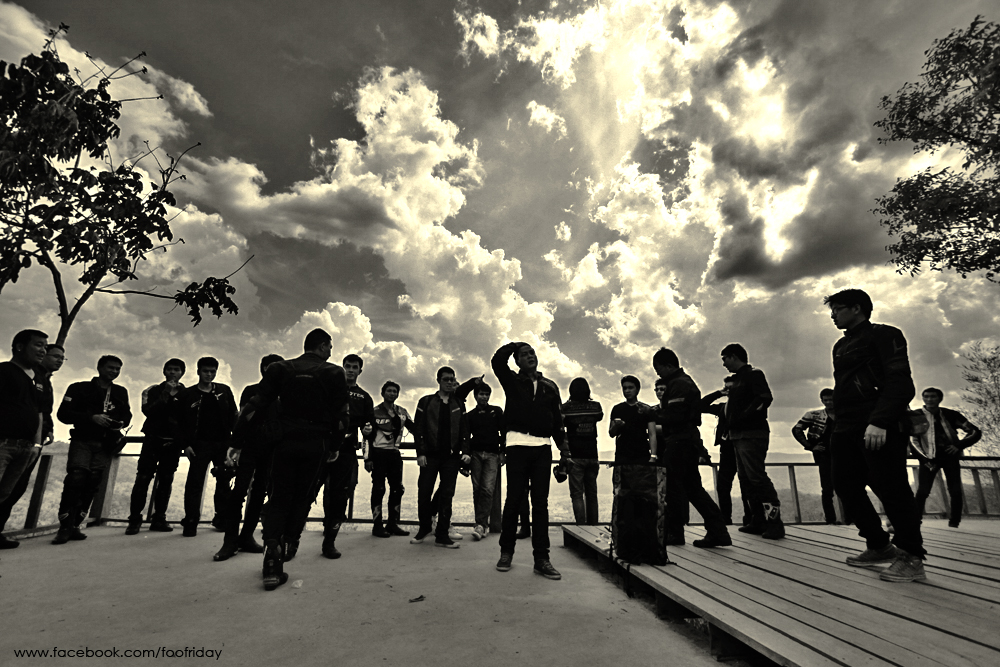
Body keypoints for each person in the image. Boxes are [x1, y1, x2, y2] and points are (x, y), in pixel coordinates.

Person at [230, 329, 350, 590]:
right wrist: (335, 446)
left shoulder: (280, 369)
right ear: (322, 346)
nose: (330, 352)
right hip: (316, 443)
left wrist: (236, 441)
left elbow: (254, 406)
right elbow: (342, 416)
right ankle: (288, 543)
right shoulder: (333, 372)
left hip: (283, 442)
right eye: (330, 347)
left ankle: (272, 557)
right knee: (302, 497)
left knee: (279, 497)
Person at [825, 288, 925, 582]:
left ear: (857, 308)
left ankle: (911, 556)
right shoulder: (841, 345)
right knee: (844, 485)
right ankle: (879, 545)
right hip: (846, 425)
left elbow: (900, 382)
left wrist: (880, 421)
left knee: (891, 487)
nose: (833, 315)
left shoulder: (885, 335)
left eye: (838, 309)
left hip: (877, 423)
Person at [492, 342, 566, 580]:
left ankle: (542, 559)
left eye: (532, 352)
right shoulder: (512, 381)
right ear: (517, 361)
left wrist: (564, 451)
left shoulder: (550, 386)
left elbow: (558, 421)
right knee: (513, 500)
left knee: (540, 504)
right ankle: (506, 552)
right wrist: (515, 344)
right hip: (516, 446)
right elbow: (497, 361)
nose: (530, 356)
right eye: (524, 355)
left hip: (543, 447)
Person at [648, 348, 730, 549]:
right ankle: (717, 530)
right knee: (693, 489)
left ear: (668, 366)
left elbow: (675, 416)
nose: (658, 374)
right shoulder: (682, 382)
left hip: (679, 442)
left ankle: (675, 533)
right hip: (687, 441)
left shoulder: (679, 384)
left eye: (659, 369)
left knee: (673, 489)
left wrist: (651, 415)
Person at [53, 354, 132, 544]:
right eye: (110, 367)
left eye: (117, 369)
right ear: (99, 367)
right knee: (76, 479)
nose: (114, 371)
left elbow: (127, 416)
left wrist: (119, 422)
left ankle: (76, 525)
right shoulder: (78, 388)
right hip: (82, 440)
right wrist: (91, 418)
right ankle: (64, 526)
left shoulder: (120, 392)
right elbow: (63, 414)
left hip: (106, 444)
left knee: (92, 483)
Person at [213, 354, 285, 562]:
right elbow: (243, 418)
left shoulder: (286, 393)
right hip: (249, 447)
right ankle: (229, 541)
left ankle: (246, 537)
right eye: (268, 367)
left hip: (271, 450)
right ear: (262, 369)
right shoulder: (252, 390)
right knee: (239, 492)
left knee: (259, 493)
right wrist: (235, 445)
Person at [306, 353, 375, 559]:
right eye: (347, 366)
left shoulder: (364, 397)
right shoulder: (329, 389)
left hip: (346, 453)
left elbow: (369, 428)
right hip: (322, 449)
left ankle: (329, 542)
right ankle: (292, 540)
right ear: (342, 367)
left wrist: (368, 432)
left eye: (354, 367)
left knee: (339, 497)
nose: (350, 370)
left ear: (360, 370)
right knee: (307, 492)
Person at [721, 343, 784, 540]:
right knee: (746, 479)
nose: (724, 364)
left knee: (757, 478)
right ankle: (758, 520)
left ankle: (774, 523)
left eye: (725, 359)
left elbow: (764, 398)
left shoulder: (754, 375)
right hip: (738, 435)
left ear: (733, 356)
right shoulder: (737, 380)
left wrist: (742, 418)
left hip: (752, 434)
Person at [175, 357, 237, 538]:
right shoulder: (188, 394)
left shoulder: (224, 391)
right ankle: (191, 521)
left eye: (212, 371)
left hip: (222, 444)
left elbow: (233, 416)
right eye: (205, 371)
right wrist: (185, 445)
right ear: (198, 372)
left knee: (224, 482)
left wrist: (234, 444)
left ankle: (222, 518)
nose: (209, 375)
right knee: (194, 484)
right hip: (198, 445)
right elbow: (178, 422)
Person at [410, 367, 470, 549]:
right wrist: (420, 453)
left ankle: (442, 535)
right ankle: (424, 528)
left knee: (447, 495)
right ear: (438, 380)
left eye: (452, 379)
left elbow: (464, 429)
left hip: (451, 458)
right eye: (446, 379)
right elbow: (418, 428)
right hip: (429, 456)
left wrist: (465, 451)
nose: (450, 382)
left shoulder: (458, 403)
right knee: (424, 492)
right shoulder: (426, 401)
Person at [125, 359, 186, 535]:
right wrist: (165, 393)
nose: (172, 372)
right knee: (143, 479)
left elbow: (188, 419)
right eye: (169, 369)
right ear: (164, 371)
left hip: (173, 443)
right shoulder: (152, 391)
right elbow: (149, 412)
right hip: (152, 440)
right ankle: (134, 520)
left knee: (166, 481)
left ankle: (159, 518)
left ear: (182, 373)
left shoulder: (187, 394)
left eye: (176, 370)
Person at [0, 330, 49, 546]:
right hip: (3, 443)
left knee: (5, 494)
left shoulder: (38, 378)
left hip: (26, 446)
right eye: (38, 345)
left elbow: (39, 413)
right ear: (20, 346)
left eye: (45, 346)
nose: (43, 350)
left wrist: (36, 444)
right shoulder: (4, 371)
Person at [910, 387, 981, 528]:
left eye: (933, 396)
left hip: (950, 457)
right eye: (926, 396)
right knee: (923, 491)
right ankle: (914, 521)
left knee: (955, 490)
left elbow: (975, 431)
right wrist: (924, 459)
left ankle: (954, 522)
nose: (929, 399)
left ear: (940, 399)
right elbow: (913, 440)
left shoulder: (951, 415)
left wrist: (959, 446)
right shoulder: (916, 416)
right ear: (922, 398)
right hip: (929, 458)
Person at [364, 380, 414, 538]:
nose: (392, 393)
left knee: (397, 489)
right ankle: (377, 526)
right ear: (382, 393)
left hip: (394, 454)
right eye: (389, 391)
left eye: (394, 391)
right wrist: (367, 458)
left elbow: (415, 429)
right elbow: (366, 437)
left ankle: (392, 524)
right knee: (378, 489)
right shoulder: (374, 412)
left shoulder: (402, 412)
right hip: (378, 454)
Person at [456, 379, 505, 541]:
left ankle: (481, 524)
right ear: (475, 396)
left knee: (487, 489)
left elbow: (504, 432)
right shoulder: (470, 415)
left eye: (487, 394)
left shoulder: (496, 412)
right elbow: (466, 437)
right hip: (475, 454)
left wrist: (503, 452)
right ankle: (482, 524)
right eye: (481, 394)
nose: (484, 397)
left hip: (492, 454)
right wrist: (466, 456)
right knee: (477, 489)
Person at [701, 376, 750, 526]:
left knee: (746, 486)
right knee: (723, 486)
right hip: (727, 451)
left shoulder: (747, 407)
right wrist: (719, 393)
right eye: (727, 388)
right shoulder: (723, 408)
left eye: (731, 388)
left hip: (742, 449)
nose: (729, 391)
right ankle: (725, 519)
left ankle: (750, 519)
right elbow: (701, 406)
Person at [792, 389, 840, 525]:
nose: (829, 402)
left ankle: (849, 519)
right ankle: (831, 519)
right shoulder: (814, 415)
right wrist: (810, 446)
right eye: (826, 400)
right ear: (822, 401)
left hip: (842, 454)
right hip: (825, 455)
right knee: (827, 489)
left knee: (847, 487)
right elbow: (796, 429)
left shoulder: (843, 414)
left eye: (831, 399)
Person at [562, 377, 603, 526]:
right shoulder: (595, 407)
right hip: (592, 455)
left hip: (575, 456)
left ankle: (581, 527)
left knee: (577, 495)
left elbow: (560, 422)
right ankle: (593, 526)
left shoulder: (566, 408)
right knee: (592, 494)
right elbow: (599, 416)